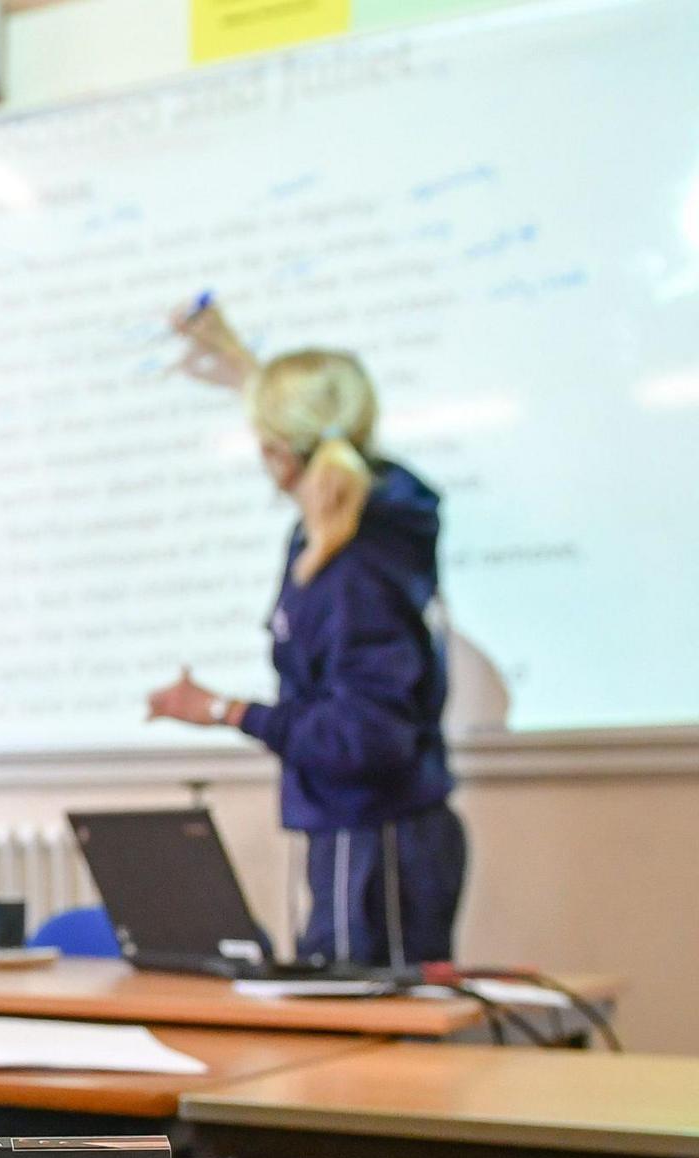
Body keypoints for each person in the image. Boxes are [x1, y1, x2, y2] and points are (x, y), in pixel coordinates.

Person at [148, 306, 466, 966]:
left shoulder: (352, 567)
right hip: (368, 834)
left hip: (374, 844)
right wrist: (235, 357)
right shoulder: (372, 523)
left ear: (279, 452)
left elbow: (364, 738)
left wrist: (224, 711)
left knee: (365, 1051)